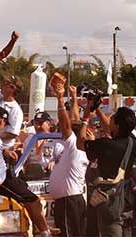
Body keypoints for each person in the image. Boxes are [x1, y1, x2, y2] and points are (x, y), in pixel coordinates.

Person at [0, 107, 53, 236]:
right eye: (4, 123)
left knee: (24, 189)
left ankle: (39, 226)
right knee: (34, 200)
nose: (3, 127)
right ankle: (45, 232)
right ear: (1, 120)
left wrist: (5, 151)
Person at [82, 106, 136, 237]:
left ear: (117, 124)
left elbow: (80, 142)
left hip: (109, 201)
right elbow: (111, 128)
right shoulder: (132, 142)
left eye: (112, 118)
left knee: (111, 229)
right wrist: (96, 108)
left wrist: (85, 120)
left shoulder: (106, 145)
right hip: (124, 196)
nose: (109, 119)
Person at [49, 79, 89, 237]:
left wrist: (60, 99)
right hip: (71, 200)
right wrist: (73, 98)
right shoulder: (79, 146)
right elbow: (73, 122)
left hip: (69, 201)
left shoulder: (75, 147)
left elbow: (67, 125)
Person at [0, 37, 23, 148]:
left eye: (6, 83)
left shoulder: (16, 110)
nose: (2, 83)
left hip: (4, 148)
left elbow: (13, 133)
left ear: (12, 88)